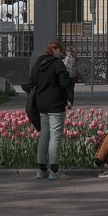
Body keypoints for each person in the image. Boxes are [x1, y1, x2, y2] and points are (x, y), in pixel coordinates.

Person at [29, 40, 73, 180]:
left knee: (44, 135)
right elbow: (65, 82)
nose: (61, 54)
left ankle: (42, 169)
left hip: (41, 104)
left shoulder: (38, 63)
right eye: (61, 51)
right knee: (55, 136)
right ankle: (55, 170)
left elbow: (31, 82)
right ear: (57, 50)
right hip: (55, 105)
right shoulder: (57, 63)